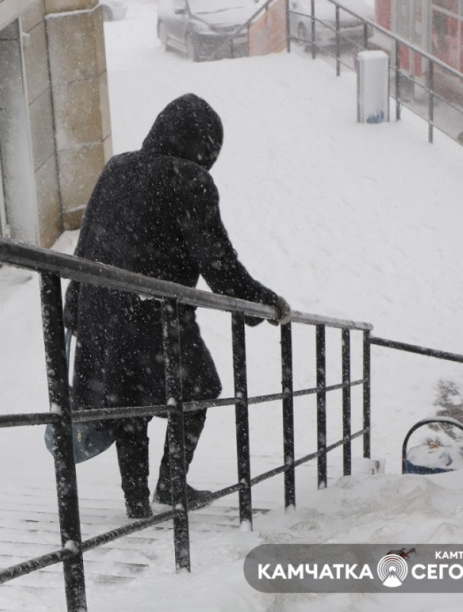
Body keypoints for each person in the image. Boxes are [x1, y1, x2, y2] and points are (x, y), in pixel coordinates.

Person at [63, 93, 292, 519]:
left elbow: (86, 243)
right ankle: (170, 485)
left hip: (103, 309)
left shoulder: (118, 167)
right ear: (204, 146)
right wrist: (264, 303)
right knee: (199, 386)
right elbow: (218, 264)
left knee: (130, 402)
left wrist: (75, 304)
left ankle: (136, 503)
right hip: (155, 314)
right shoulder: (189, 180)